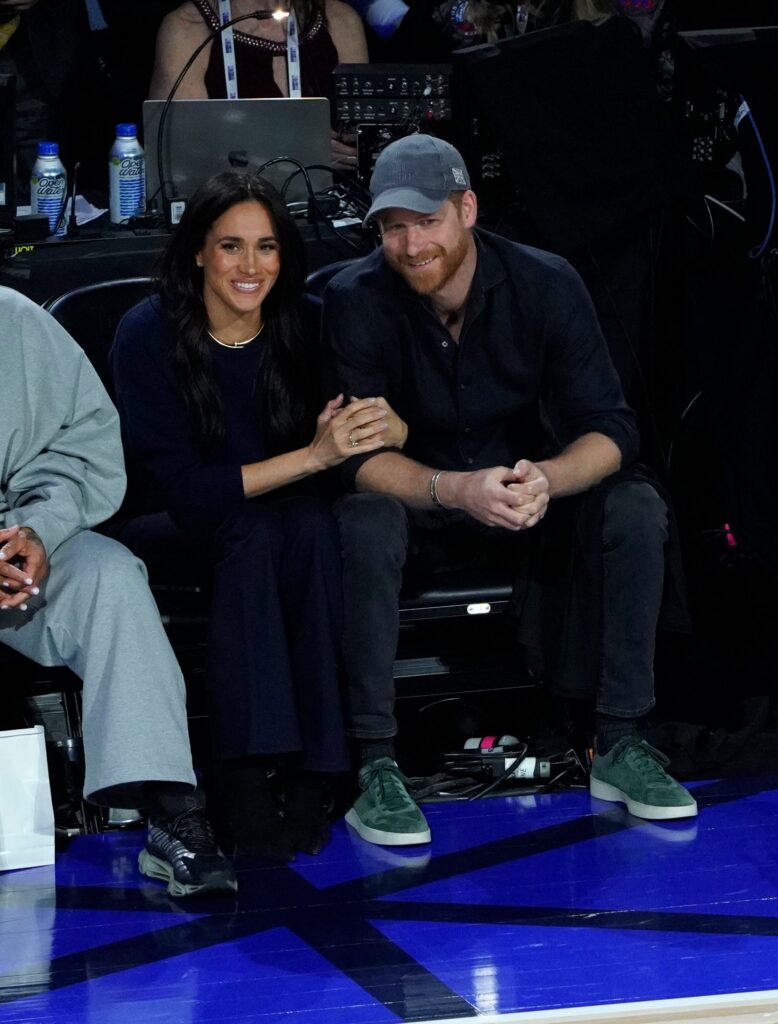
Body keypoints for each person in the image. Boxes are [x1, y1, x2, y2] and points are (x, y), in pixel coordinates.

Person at [322, 133, 697, 847]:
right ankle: (374, 762)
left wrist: (548, 480)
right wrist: (452, 488)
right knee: (362, 517)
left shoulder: (545, 282)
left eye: (425, 222)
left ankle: (620, 740)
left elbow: (612, 430)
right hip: (424, 501)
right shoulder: (355, 298)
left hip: (528, 499)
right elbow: (354, 459)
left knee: (634, 502)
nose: (408, 245)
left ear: (466, 208)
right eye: (392, 228)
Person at [110, 171, 403, 861]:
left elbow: (356, 436)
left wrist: (390, 429)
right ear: (198, 253)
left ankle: (315, 774)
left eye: (266, 248)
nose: (250, 267)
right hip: (173, 527)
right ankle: (242, 779)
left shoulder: (307, 321)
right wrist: (311, 456)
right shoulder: (147, 332)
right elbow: (183, 491)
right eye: (231, 247)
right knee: (259, 526)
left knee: (298, 525)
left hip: (282, 522)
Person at [0, 284, 236, 897]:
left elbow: (75, 448)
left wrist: (36, 532)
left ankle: (170, 811)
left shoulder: (14, 322)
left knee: (111, 578)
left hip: (13, 548)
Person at [148, 0, 368, 170]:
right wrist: (297, 152)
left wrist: (356, 147)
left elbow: (364, 139)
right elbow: (178, 155)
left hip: (332, 207)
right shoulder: (187, 28)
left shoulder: (340, 21)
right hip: (229, 206)